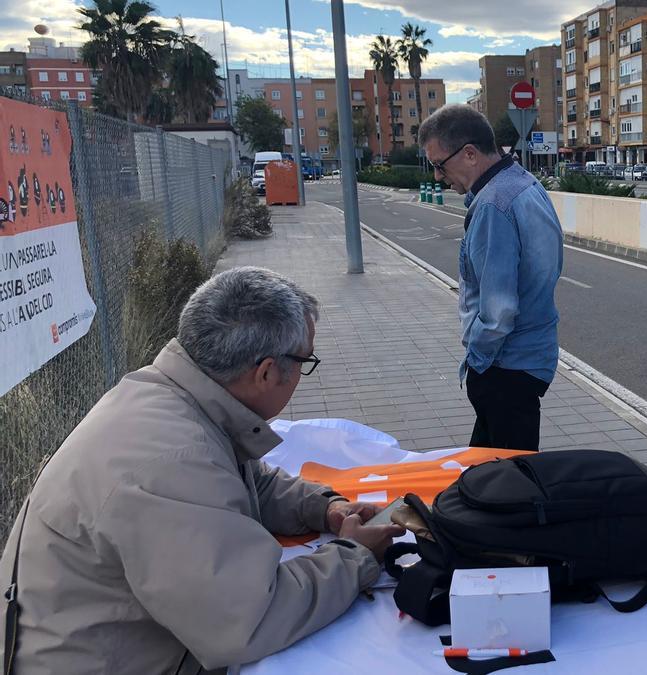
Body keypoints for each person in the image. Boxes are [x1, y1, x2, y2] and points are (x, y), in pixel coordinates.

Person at [0, 267, 405, 673]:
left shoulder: (170, 397)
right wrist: (355, 557)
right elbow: (247, 618)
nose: (303, 374)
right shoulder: (172, 460)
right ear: (265, 372)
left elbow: (246, 479)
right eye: (305, 361)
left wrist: (323, 508)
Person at [418, 104, 563, 451]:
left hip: (505, 369)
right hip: (529, 363)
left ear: (469, 154)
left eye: (439, 165)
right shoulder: (525, 184)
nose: (438, 176)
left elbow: (498, 313)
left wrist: (477, 363)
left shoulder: (492, 206)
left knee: (509, 489)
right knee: (487, 477)